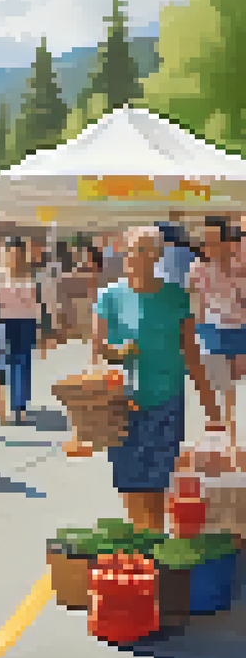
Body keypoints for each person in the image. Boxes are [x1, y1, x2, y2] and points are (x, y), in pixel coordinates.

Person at [93, 225, 223, 535]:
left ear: (156, 256)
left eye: (143, 250)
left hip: (166, 400)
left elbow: (192, 354)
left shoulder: (176, 298)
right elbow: (99, 350)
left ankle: (152, 541)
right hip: (121, 403)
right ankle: (143, 541)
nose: (134, 257)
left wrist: (212, 411)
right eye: (132, 249)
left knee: (156, 481)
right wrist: (117, 351)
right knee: (127, 481)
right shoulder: (110, 297)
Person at [187, 216, 246, 445]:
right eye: (204, 241)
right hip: (211, 331)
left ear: (226, 243)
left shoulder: (240, 267)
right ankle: (227, 437)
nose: (207, 246)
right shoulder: (196, 270)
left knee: (235, 388)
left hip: (240, 330)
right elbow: (196, 302)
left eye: (213, 240)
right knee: (221, 387)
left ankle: (232, 437)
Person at [0, 238, 42, 425]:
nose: (12, 257)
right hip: (4, 322)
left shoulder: (32, 276)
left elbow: (40, 303)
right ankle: (11, 405)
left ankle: (19, 406)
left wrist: (45, 327)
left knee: (23, 361)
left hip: (27, 321)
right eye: (9, 253)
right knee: (7, 363)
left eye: (16, 253)